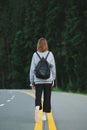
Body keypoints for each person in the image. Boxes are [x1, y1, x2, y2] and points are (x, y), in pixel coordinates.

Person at [29, 37, 56, 122]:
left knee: (38, 96)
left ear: (38, 45)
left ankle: (37, 107)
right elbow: (53, 68)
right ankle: (44, 115)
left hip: (38, 80)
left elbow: (32, 69)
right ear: (46, 45)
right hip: (48, 80)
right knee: (47, 97)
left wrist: (31, 81)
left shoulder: (35, 55)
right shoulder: (50, 54)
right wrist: (53, 79)